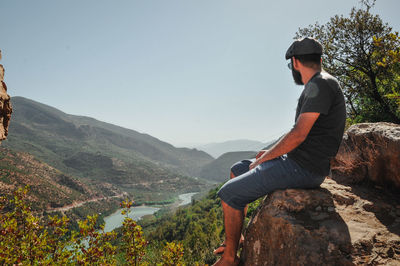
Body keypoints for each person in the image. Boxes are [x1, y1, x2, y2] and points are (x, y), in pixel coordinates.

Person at [212, 37, 346, 266]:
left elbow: (299, 133)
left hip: (304, 168)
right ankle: (237, 238)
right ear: (320, 59)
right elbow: (301, 131)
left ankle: (229, 259)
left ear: (294, 62)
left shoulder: (320, 84)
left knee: (228, 194)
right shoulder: (321, 82)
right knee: (237, 169)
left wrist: (268, 157)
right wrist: (271, 152)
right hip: (298, 161)